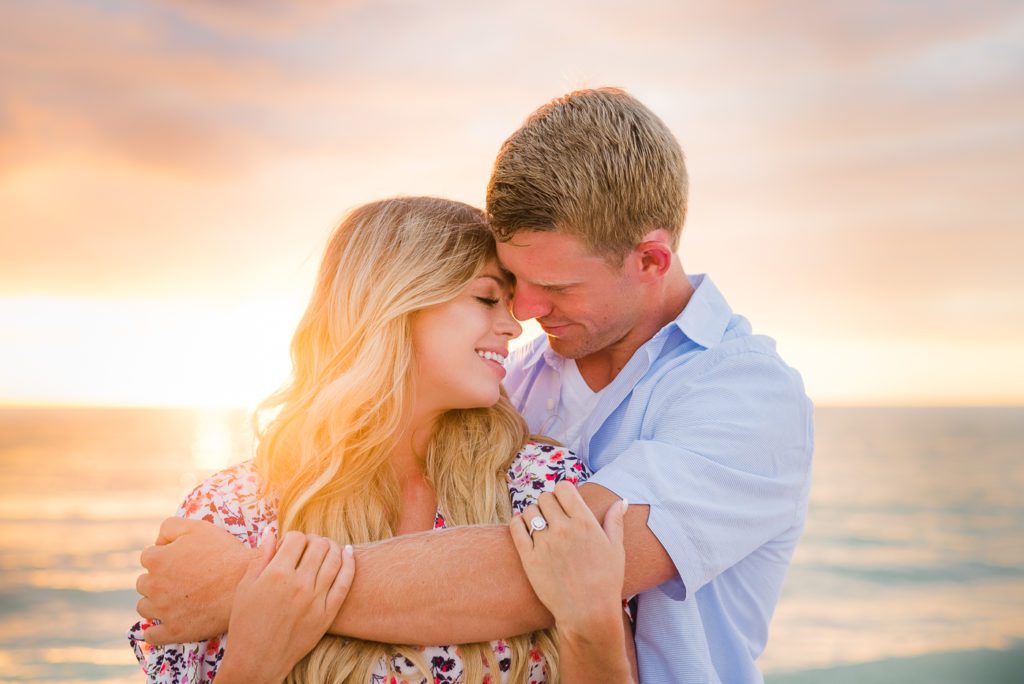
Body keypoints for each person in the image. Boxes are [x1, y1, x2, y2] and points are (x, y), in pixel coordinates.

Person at [137, 88, 814, 683]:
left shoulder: (746, 400)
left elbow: (528, 579)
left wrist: (258, 586)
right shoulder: (508, 385)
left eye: (551, 287)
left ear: (651, 259)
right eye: (507, 287)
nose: (522, 313)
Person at [129, 196, 638, 682]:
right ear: (393, 304)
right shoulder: (231, 515)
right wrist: (251, 666)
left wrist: (591, 627)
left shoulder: (543, 487)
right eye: (486, 297)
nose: (513, 326)